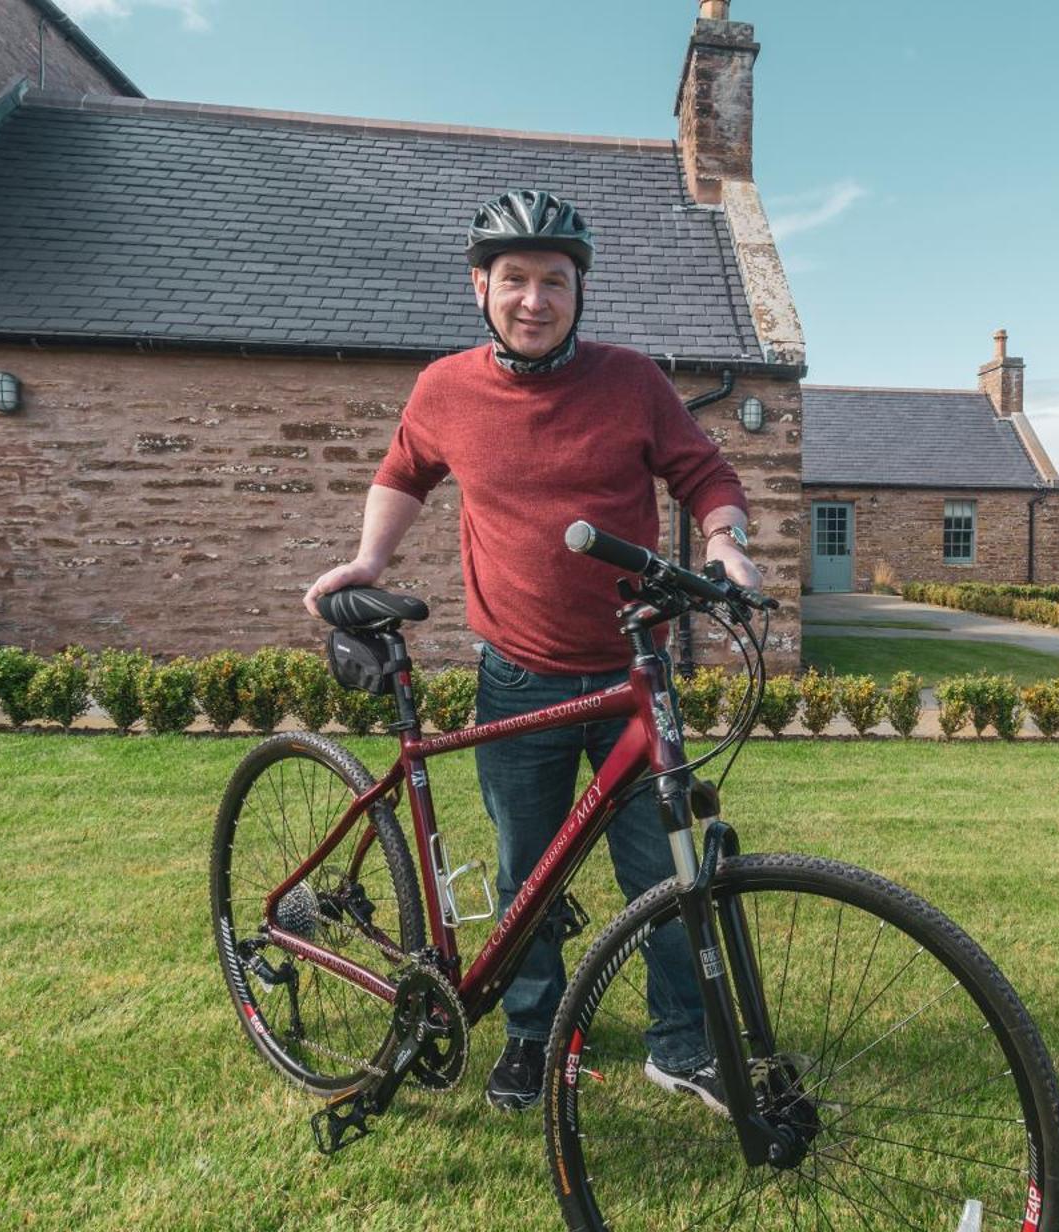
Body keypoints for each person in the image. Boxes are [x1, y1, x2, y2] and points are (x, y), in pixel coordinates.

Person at [302, 189, 760, 1114]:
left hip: (637, 673)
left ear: (579, 292)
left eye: (555, 281)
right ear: (482, 289)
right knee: (527, 871)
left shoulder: (633, 382)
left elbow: (706, 472)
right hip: (518, 672)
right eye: (515, 280)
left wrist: (727, 543)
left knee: (670, 868)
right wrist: (369, 558)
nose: (535, 299)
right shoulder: (445, 388)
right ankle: (533, 1031)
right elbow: (404, 470)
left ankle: (681, 1043)